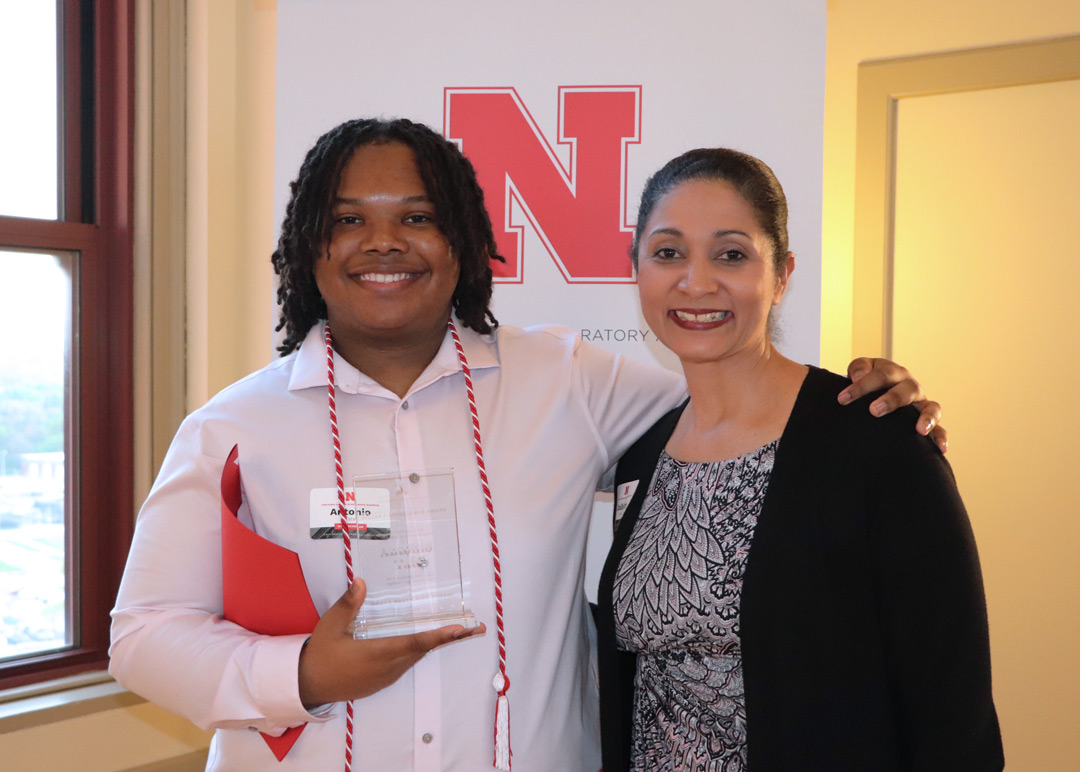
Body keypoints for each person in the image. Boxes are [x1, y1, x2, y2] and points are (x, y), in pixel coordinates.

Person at [110, 118, 945, 772]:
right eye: (349, 220)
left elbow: (744, 406)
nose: (385, 242)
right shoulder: (233, 428)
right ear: (308, 247)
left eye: (419, 218)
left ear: (465, 242)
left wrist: (865, 402)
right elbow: (143, 637)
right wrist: (300, 676)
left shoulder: (566, 380)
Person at [595, 148, 1003, 771]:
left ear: (782, 274)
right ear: (637, 269)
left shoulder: (874, 441)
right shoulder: (640, 453)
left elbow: (953, 709)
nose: (696, 281)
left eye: (731, 254)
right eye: (668, 252)